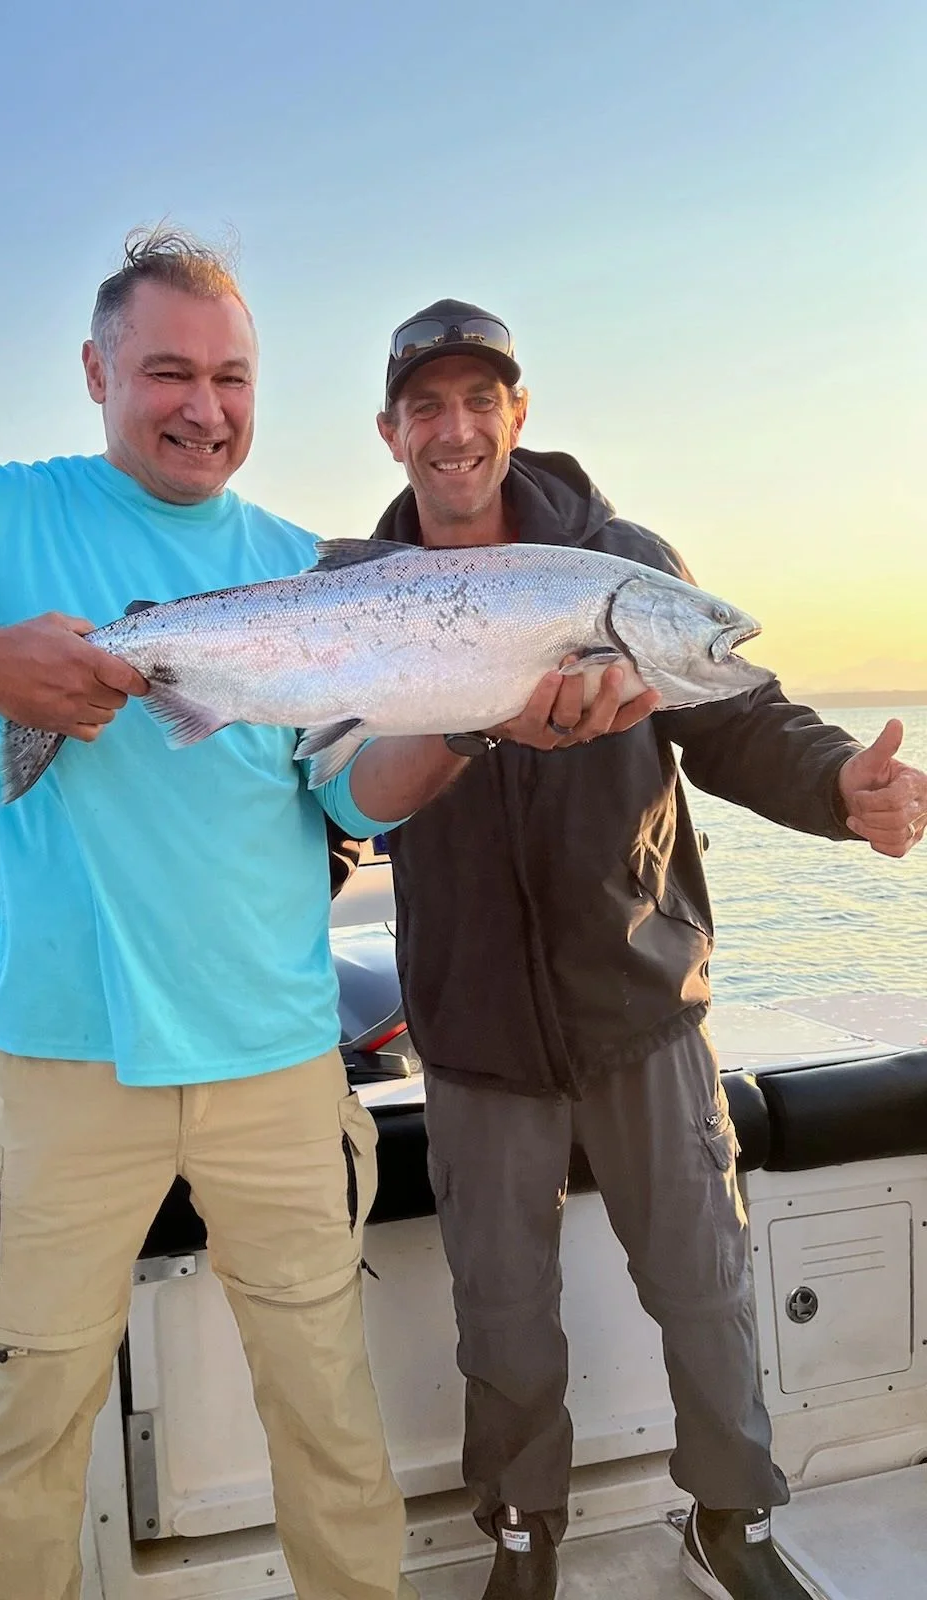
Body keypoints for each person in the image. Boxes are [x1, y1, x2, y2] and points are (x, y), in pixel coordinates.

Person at [0, 236, 606, 1600]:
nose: (205, 407)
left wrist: (483, 721)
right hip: (64, 1063)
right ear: (95, 372)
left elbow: (357, 796)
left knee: (327, 1415)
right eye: (168, 373)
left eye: (233, 377)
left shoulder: (311, 568)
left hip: (275, 1059)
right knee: (32, 1423)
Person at [370, 299, 927, 1600]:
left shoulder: (623, 563)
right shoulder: (365, 592)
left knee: (705, 1285)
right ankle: (522, 1532)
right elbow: (332, 775)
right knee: (502, 1317)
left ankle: (729, 1518)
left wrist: (844, 784)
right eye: (427, 405)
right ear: (392, 431)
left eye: (479, 400)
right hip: (472, 1027)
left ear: (519, 413)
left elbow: (741, 717)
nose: (456, 430)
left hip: (641, 1002)